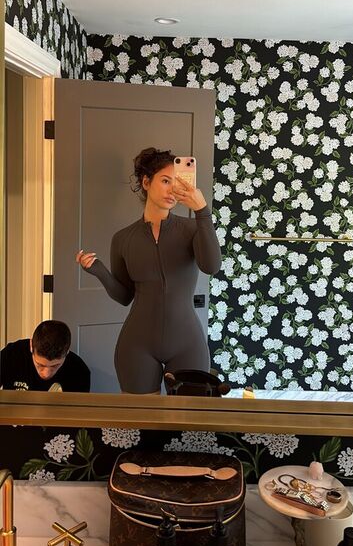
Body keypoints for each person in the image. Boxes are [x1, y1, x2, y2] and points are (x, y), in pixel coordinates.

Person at [76, 147, 221, 394]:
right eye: (165, 181)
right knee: (140, 416)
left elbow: (211, 266)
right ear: (146, 182)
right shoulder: (123, 239)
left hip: (187, 343)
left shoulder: (193, 229)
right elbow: (124, 296)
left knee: (189, 416)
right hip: (137, 345)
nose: (172, 190)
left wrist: (202, 211)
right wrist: (99, 270)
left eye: (177, 182)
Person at [0, 319, 91, 392]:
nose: (46, 374)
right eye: (40, 365)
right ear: (31, 346)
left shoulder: (79, 371)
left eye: (55, 366)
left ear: (67, 351)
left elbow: (77, 409)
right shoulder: (11, 355)